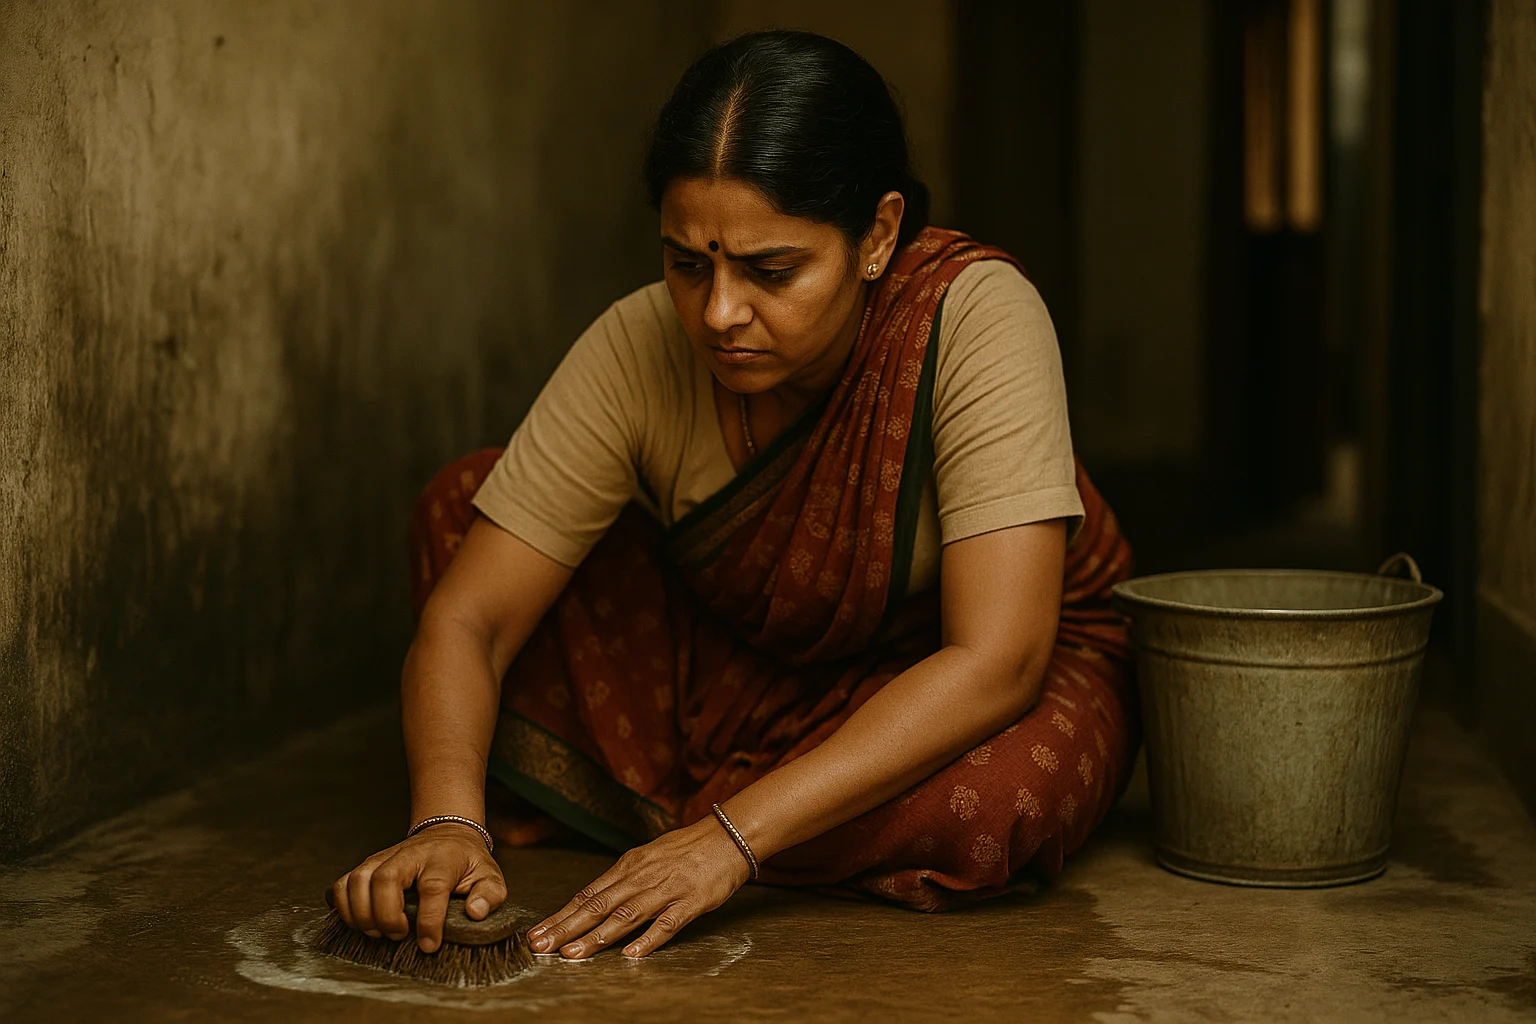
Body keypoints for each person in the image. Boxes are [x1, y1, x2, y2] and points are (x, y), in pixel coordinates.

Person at [329, 30, 1136, 961]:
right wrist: (447, 823)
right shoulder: (640, 346)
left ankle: (705, 817)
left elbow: (999, 660)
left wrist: (729, 841)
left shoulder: (972, 316)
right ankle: (770, 808)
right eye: (686, 264)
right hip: (746, 671)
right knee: (462, 505)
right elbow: (471, 622)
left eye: (771, 270)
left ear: (876, 235)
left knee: (996, 806)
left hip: (980, 667)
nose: (718, 313)